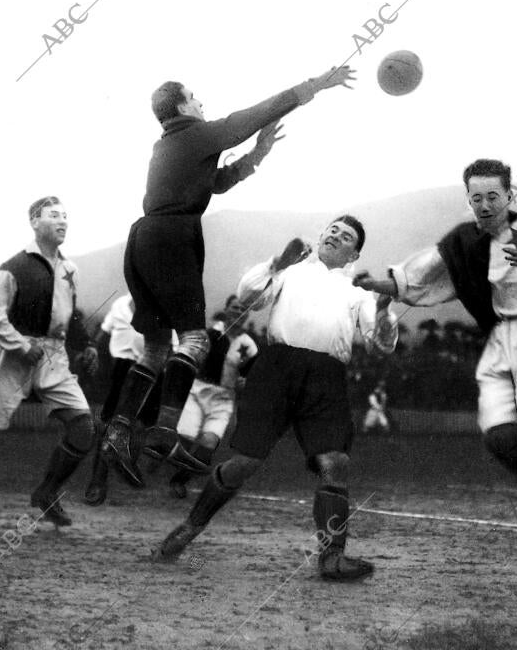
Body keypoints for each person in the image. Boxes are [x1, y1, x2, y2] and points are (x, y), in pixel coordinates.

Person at [101, 66, 357, 489]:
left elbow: (216, 183)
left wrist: (258, 155)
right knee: (196, 340)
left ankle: (117, 433)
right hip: (172, 238)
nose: (201, 102)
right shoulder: (196, 133)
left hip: (142, 239)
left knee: (156, 347)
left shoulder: (167, 145)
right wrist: (316, 85)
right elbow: (256, 113)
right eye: (194, 96)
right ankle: (164, 435)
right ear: (182, 106)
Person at [354, 158, 517, 595]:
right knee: (501, 439)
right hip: (499, 342)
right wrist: (377, 284)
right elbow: (417, 275)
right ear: (468, 199)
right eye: (476, 197)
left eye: (493, 196)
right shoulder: (462, 241)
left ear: (509, 196)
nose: (484, 204)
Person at [151, 215, 398, 582]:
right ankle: (188, 529)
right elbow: (250, 297)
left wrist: (381, 311)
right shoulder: (291, 272)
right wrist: (276, 264)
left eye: (345, 236)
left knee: (335, 462)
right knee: (246, 461)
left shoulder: (358, 294)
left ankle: (332, 557)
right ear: (320, 235)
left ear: (354, 253)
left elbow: (382, 345)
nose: (335, 235)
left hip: (326, 376)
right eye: (332, 229)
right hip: (277, 368)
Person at [0, 197, 98, 526]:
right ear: (34, 221)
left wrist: (86, 343)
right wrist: (20, 345)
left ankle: (47, 492)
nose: (62, 221)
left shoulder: (69, 268)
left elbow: (69, 313)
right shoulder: (14, 267)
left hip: (54, 357)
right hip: (17, 357)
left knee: (83, 427)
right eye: (53, 216)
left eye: (65, 216)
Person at [145, 294, 258, 499]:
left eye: (243, 308)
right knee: (186, 439)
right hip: (198, 390)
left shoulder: (249, 345)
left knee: (208, 445)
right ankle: (161, 456)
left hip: (223, 398)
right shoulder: (211, 334)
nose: (238, 312)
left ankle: (179, 481)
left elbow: (252, 375)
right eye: (234, 307)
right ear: (226, 309)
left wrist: (246, 382)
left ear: (248, 312)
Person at [84, 294, 164, 505]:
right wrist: (91, 346)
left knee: (139, 427)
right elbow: (103, 330)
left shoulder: (162, 304)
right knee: (109, 424)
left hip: (149, 371)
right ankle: (97, 481)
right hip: (121, 368)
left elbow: (172, 345)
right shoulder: (119, 303)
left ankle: (124, 470)